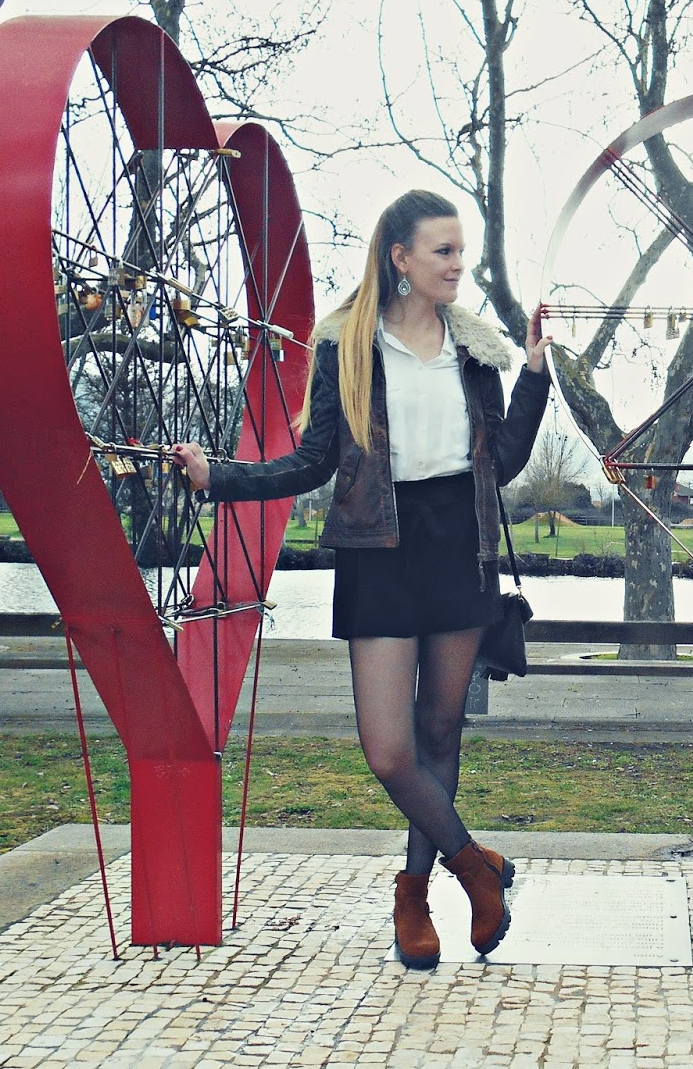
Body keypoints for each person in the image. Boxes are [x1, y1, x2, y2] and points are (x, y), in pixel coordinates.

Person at [172, 189, 552, 970]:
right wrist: (220, 476)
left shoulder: (475, 352)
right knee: (387, 748)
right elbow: (314, 460)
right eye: (443, 250)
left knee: (439, 732)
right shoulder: (348, 347)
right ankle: (475, 868)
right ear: (400, 258)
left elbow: (504, 460)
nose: (458, 264)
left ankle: (415, 894)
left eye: (461, 250)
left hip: (460, 545)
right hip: (378, 549)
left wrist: (536, 376)